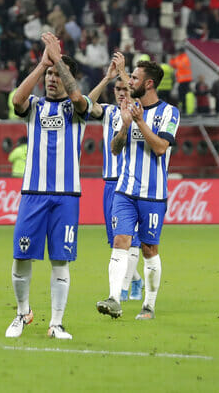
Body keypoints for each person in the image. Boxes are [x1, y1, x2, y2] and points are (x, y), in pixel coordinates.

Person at [6, 32, 90, 340]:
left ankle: (56, 323)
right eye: (50, 75)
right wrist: (42, 64)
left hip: (67, 196)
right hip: (33, 194)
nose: (52, 79)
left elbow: (79, 98)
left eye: (57, 74)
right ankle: (22, 313)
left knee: (60, 259)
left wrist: (58, 60)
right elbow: (16, 100)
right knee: (21, 256)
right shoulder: (35, 107)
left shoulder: (78, 108)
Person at [97, 59, 180, 321]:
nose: (127, 83)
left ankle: (149, 305)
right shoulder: (129, 109)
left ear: (148, 84)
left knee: (149, 250)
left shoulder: (169, 113)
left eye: (133, 79)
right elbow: (114, 148)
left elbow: (160, 148)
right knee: (121, 242)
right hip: (124, 190)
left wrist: (140, 122)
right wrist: (125, 125)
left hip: (153, 195)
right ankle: (114, 298)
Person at [86, 52, 142, 303]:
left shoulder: (139, 111)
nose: (121, 92)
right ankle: (135, 279)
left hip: (132, 183)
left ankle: (120, 290)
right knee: (116, 241)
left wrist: (123, 73)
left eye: (124, 87)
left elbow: (134, 95)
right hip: (110, 184)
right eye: (117, 89)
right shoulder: (108, 112)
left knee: (133, 241)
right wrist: (107, 78)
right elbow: (86, 103)